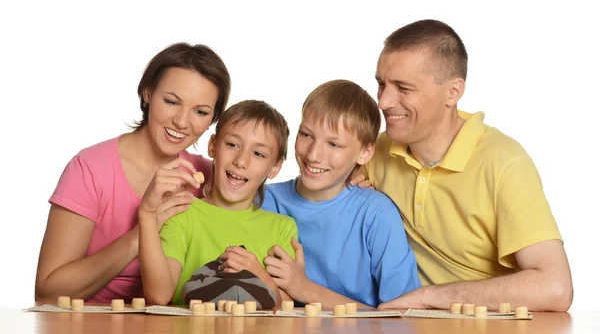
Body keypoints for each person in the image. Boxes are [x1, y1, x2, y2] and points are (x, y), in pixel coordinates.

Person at [361, 19, 573, 311]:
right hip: (406, 325)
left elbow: (555, 287)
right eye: (381, 84)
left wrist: (431, 297)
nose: (383, 102)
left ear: (453, 92)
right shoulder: (375, 151)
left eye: (404, 88)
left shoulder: (504, 162)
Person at [35, 43, 231, 303]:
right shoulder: (90, 169)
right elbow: (48, 292)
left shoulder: (207, 176)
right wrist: (142, 232)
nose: (182, 122)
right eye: (172, 101)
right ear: (147, 92)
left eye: (201, 112)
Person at [261, 80, 421, 309]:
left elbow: (402, 316)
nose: (314, 155)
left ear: (365, 153)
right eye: (306, 134)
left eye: (334, 144)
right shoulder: (265, 200)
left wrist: (305, 289)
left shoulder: (377, 215)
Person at [138, 100, 298, 307]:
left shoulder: (282, 228)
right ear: (213, 146)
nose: (241, 161)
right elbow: (159, 296)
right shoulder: (183, 211)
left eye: (258, 153)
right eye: (232, 144)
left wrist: (258, 273)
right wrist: (147, 215)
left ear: (275, 167)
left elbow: (282, 307)